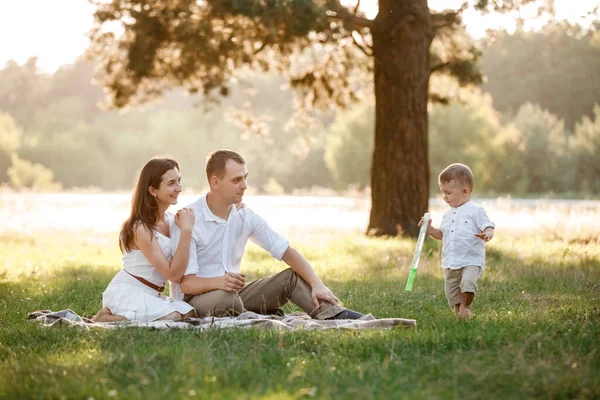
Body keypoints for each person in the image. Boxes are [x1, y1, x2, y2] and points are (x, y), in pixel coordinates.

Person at [170, 150, 365, 320]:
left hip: (234, 295)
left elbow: (286, 251)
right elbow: (186, 284)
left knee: (290, 278)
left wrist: (317, 284)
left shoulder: (244, 215)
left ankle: (334, 314)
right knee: (226, 298)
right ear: (215, 182)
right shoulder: (189, 219)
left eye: (245, 177)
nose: (244, 185)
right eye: (236, 180)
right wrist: (218, 282)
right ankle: (258, 313)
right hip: (195, 300)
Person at [92, 158, 196, 323]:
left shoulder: (171, 220)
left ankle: (122, 316)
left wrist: (236, 206)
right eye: (171, 183)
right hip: (127, 292)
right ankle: (105, 318)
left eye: (179, 181)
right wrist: (187, 231)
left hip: (152, 294)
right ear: (153, 190)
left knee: (189, 313)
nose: (179, 188)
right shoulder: (140, 228)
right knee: (174, 317)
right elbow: (173, 275)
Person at [418, 163, 495, 320]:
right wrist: (429, 229)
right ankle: (460, 317)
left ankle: (466, 307)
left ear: (465, 191)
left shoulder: (476, 210)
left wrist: (487, 235)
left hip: (471, 260)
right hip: (451, 261)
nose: (444, 197)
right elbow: (441, 234)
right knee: (452, 292)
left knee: (467, 283)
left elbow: (489, 227)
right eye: (443, 193)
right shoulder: (447, 215)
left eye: (448, 193)